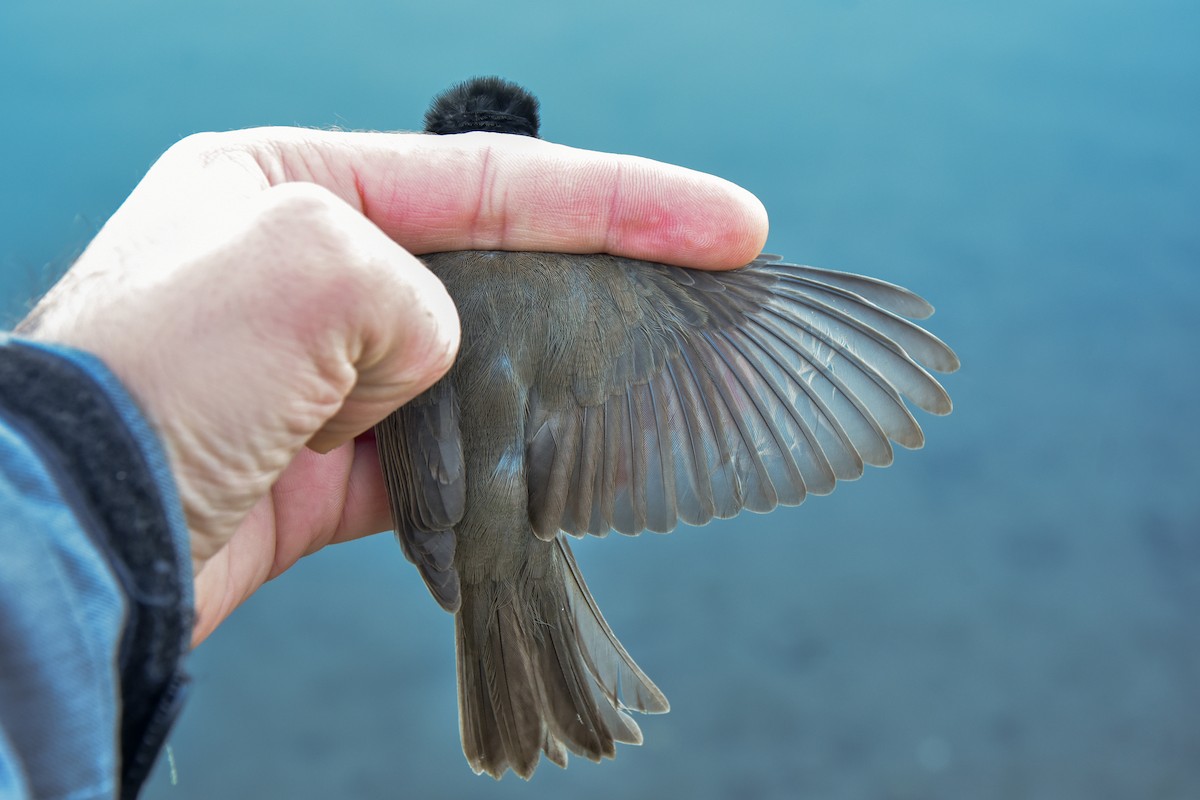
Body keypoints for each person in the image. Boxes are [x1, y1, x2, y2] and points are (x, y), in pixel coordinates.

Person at [0, 126, 768, 798]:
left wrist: (89, 469)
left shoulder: (402, 265)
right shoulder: (594, 292)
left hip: (421, 503)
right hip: (509, 515)